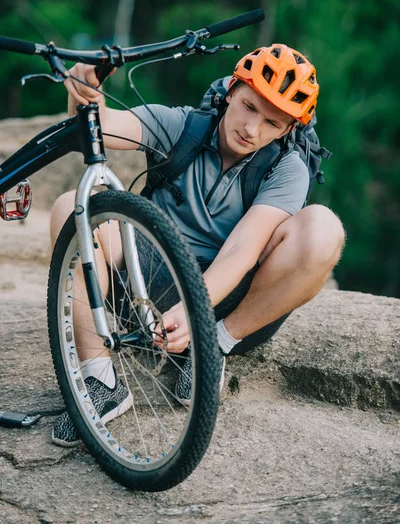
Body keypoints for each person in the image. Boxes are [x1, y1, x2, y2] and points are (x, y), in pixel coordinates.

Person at [50, 44, 345, 446]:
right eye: (248, 106)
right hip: (146, 283)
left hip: (229, 303)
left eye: (273, 123)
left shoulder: (285, 168)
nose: (252, 129)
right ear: (231, 91)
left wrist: (197, 319)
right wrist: (81, 93)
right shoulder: (182, 126)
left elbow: (243, 251)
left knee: (324, 228)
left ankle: (212, 350)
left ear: (288, 129)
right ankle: (99, 380)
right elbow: (92, 129)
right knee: (73, 206)